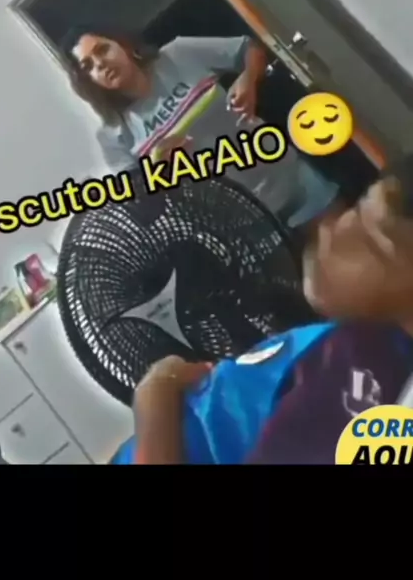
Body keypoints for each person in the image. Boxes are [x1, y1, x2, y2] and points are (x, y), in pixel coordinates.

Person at [110, 154, 413, 465]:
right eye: (356, 211)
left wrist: (156, 392)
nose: (331, 229)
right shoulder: (368, 338)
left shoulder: (365, 377)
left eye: (371, 242)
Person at [61, 26, 339, 233]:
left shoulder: (179, 53)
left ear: (123, 44)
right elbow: (145, 207)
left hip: (290, 176)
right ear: (88, 81)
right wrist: (160, 171)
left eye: (102, 50)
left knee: (352, 252)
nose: (100, 64)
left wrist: (248, 79)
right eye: (88, 66)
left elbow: (249, 49)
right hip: (246, 224)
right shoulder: (112, 137)